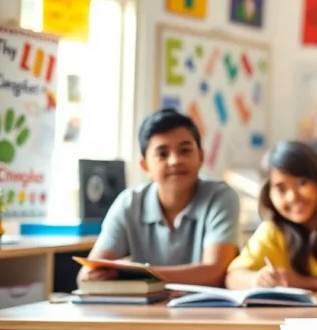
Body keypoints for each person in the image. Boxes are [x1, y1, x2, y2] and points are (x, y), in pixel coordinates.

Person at [77, 109, 241, 286]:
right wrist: (91, 276)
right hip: (144, 311)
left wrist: (138, 275)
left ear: (200, 157)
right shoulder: (128, 203)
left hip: (205, 310)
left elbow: (214, 273)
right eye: (162, 154)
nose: (175, 160)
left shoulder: (220, 197)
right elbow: (88, 274)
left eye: (185, 150)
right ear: (145, 165)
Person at [225, 141, 317, 291]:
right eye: (281, 189)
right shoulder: (274, 231)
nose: (292, 197)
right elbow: (232, 277)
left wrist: (300, 282)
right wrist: (257, 279)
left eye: (302, 183)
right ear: (268, 195)